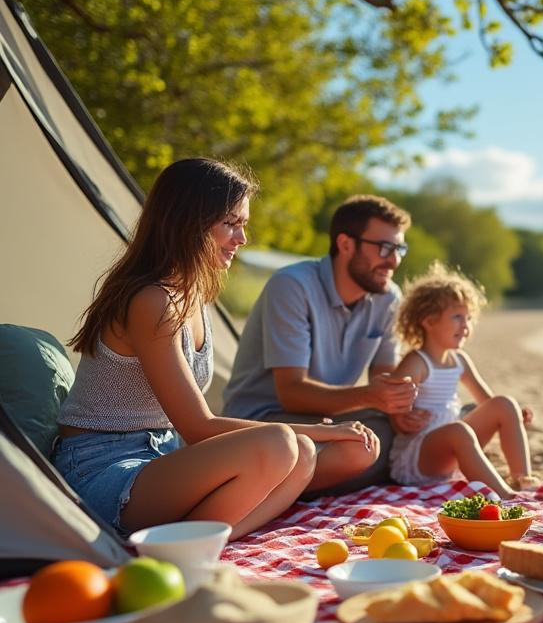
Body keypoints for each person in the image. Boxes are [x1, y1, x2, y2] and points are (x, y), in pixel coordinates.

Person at [52, 159, 374, 540]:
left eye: (243, 224)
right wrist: (324, 431)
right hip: (102, 467)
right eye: (231, 223)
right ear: (190, 221)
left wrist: (313, 438)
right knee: (282, 444)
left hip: (163, 455)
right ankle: (183, 542)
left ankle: (194, 541)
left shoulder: (195, 296)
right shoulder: (152, 301)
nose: (242, 238)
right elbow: (198, 427)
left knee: (301, 455)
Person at [222, 195, 424, 494]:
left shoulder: (388, 297)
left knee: (417, 432)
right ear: (345, 244)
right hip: (266, 424)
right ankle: (266, 487)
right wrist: (372, 396)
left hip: (327, 421)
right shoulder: (292, 285)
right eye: (385, 248)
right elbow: (292, 394)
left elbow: (384, 379)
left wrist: (400, 408)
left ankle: (290, 484)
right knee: (364, 446)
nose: (393, 260)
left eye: (399, 249)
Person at [388, 262, 538, 497]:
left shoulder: (460, 361)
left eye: (468, 318)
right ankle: (505, 496)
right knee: (459, 430)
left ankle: (522, 479)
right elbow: (390, 405)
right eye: (457, 317)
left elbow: (489, 404)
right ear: (429, 321)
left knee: (505, 404)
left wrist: (514, 415)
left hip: (454, 446)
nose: (466, 326)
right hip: (420, 456)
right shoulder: (416, 362)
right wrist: (401, 419)